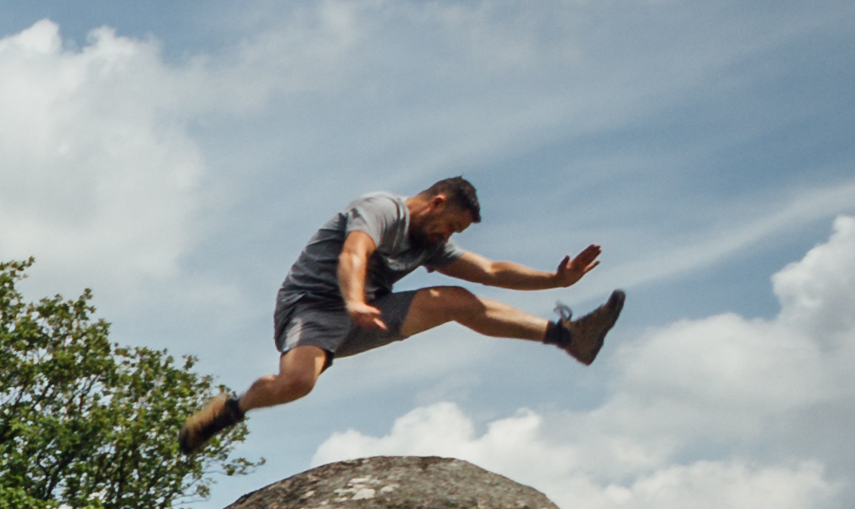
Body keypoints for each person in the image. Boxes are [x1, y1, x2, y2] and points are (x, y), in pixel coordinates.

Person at [180, 177, 624, 453]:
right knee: (297, 383)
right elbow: (354, 253)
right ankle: (231, 410)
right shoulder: (381, 210)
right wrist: (353, 300)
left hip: (367, 312)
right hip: (314, 306)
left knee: (454, 298)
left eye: (456, 233)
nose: (448, 236)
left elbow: (488, 271)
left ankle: (569, 337)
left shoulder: (429, 243)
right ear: (437, 202)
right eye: (451, 225)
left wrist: (556, 280)